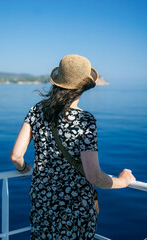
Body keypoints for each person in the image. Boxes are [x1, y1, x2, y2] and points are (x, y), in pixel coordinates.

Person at [10, 54, 136, 240]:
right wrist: (123, 182)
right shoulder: (85, 120)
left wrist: (24, 168)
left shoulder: (36, 110)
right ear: (83, 86)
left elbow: (15, 156)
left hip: (42, 203)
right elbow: (94, 176)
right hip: (74, 209)